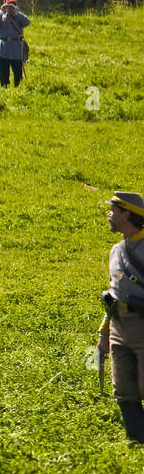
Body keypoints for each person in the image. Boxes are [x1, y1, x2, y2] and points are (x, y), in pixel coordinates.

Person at [100, 190, 144, 444]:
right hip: (119, 324)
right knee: (124, 388)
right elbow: (114, 293)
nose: (110, 215)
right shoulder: (116, 250)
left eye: (114, 211)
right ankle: (137, 440)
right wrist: (104, 331)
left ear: (126, 213)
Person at [0, 0, 30, 87]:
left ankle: (18, 87)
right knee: (3, 72)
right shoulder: (1, 17)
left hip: (16, 48)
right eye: (8, 7)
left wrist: (16, 12)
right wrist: (1, 11)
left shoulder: (19, 17)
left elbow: (27, 22)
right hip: (3, 48)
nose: (10, 9)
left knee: (17, 72)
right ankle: (4, 86)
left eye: (12, 7)